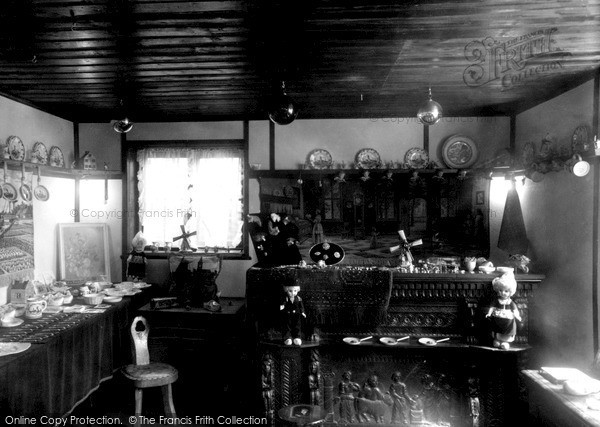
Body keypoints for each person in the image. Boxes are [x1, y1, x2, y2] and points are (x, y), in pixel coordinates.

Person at [486, 272, 522, 349]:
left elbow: (515, 309)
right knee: (496, 328)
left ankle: (505, 342)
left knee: (507, 329)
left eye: (506, 291)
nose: (503, 293)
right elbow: (492, 307)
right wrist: (489, 313)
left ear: (510, 292)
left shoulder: (510, 302)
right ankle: (497, 340)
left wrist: (517, 316)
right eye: (500, 290)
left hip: (507, 320)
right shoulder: (496, 301)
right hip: (498, 317)